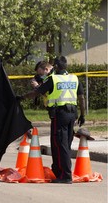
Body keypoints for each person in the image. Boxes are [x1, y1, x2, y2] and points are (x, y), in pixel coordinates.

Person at [17, 56, 85, 184]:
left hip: (60, 115)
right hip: (73, 114)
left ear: (56, 66)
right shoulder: (74, 78)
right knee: (66, 143)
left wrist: (21, 97)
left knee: (60, 144)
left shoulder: (53, 79)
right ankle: (59, 171)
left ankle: (65, 176)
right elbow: (81, 98)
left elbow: (36, 93)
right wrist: (83, 115)